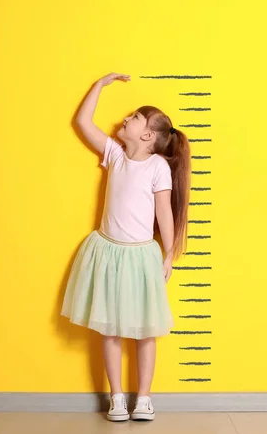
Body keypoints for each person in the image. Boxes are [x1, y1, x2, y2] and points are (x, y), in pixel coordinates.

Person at [61, 72, 191, 422]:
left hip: (140, 256)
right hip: (108, 252)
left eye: (134, 118)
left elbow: (164, 210)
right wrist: (99, 85)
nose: (125, 119)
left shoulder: (157, 167)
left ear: (147, 135)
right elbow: (82, 121)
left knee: (145, 331)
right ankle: (116, 396)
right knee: (110, 327)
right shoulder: (115, 155)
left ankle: (144, 398)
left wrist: (167, 254)